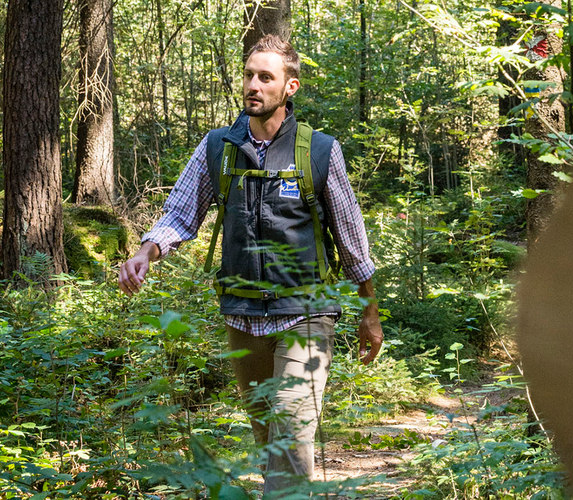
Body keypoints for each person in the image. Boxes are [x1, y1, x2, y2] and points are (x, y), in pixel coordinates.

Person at [118, 34, 383, 492]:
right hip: (241, 315)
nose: (253, 85)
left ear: (290, 87)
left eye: (266, 77)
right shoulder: (218, 146)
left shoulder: (320, 151)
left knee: (291, 442)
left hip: (306, 313)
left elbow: (351, 237)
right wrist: (145, 252)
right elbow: (181, 214)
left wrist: (370, 312)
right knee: (267, 439)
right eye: (248, 75)